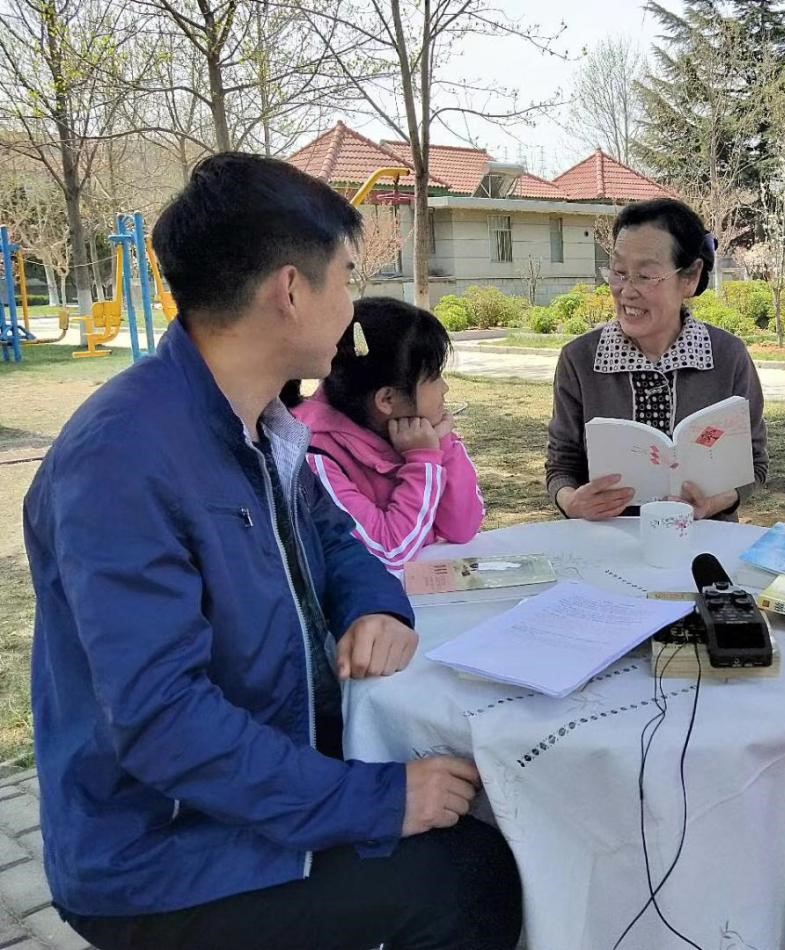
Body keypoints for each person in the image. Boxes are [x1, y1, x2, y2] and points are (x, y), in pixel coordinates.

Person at [23, 153, 520, 950]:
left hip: (257, 788)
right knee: (467, 874)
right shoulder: (123, 460)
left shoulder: (260, 426)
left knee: (477, 805)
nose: (353, 308)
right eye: (347, 276)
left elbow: (333, 536)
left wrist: (375, 604)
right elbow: (161, 723)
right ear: (291, 291)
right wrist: (373, 803)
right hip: (163, 853)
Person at [545, 197, 767, 522]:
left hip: (701, 541)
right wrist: (572, 502)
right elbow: (561, 466)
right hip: (608, 544)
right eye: (619, 272)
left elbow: (754, 464)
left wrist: (712, 503)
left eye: (645, 276)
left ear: (689, 277)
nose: (626, 290)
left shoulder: (727, 356)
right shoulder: (579, 360)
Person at [286, 297, 484, 570]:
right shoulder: (314, 456)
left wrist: (442, 445)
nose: (445, 389)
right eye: (435, 376)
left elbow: (462, 528)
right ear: (387, 400)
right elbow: (389, 552)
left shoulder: (411, 431)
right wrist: (424, 462)